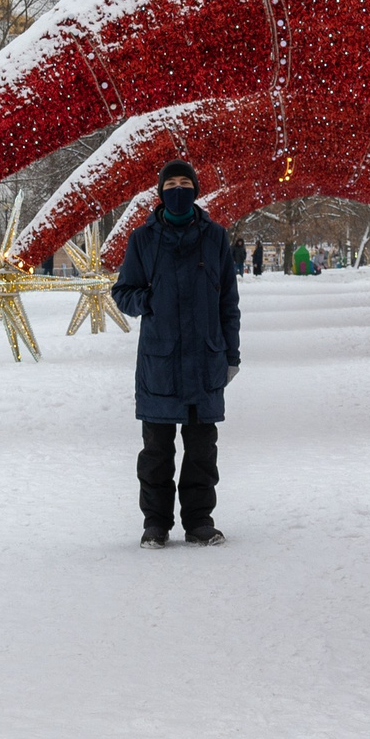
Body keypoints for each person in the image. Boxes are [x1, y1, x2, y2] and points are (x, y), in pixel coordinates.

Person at [110, 159, 240, 549]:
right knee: (156, 451)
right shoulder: (142, 239)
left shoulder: (215, 238)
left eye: (185, 182)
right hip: (160, 362)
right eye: (171, 184)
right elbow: (123, 293)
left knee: (202, 450)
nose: (178, 189)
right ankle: (156, 523)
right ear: (160, 192)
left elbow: (228, 303)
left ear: (195, 190)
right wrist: (149, 300)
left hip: (204, 360)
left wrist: (231, 355)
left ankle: (199, 521)